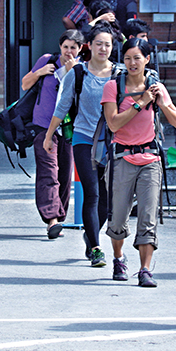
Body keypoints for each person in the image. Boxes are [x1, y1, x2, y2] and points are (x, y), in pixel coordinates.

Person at [103, 38, 176, 287]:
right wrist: (141, 102)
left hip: (150, 159)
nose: (132, 63)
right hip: (121, 158)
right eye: (127, 58)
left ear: (147, 59)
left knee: (147, 216)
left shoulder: (156, 87)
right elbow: (113, 123)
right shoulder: (113, 87)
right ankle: (118, 257)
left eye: (137, 57)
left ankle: (145, 269)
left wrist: (159, 102)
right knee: (117, 218)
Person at [44, 22, 115, 267]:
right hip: (84, 137)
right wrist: (48, 135)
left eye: (107, 44)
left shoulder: (119, 74)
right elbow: (62, 106)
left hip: (112, 141)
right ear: (90, 46)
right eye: (99, 44)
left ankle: (90, 233)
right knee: (93, 192)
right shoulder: (78, 73)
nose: (103, 48)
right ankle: (95, 247)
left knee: (108, 198)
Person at [21, 30, 83, 239]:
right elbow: (25, 84)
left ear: (80, 49)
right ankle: (52, 219)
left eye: (73, 47)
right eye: (65, 47)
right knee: (49, 171)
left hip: (68, 128)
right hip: (43, 126)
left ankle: (59, 215)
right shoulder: (47, 60)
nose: (68, 51)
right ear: (60, 47)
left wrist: (74, 73)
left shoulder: (82, 68)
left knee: (64, 173)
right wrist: (40, 72)